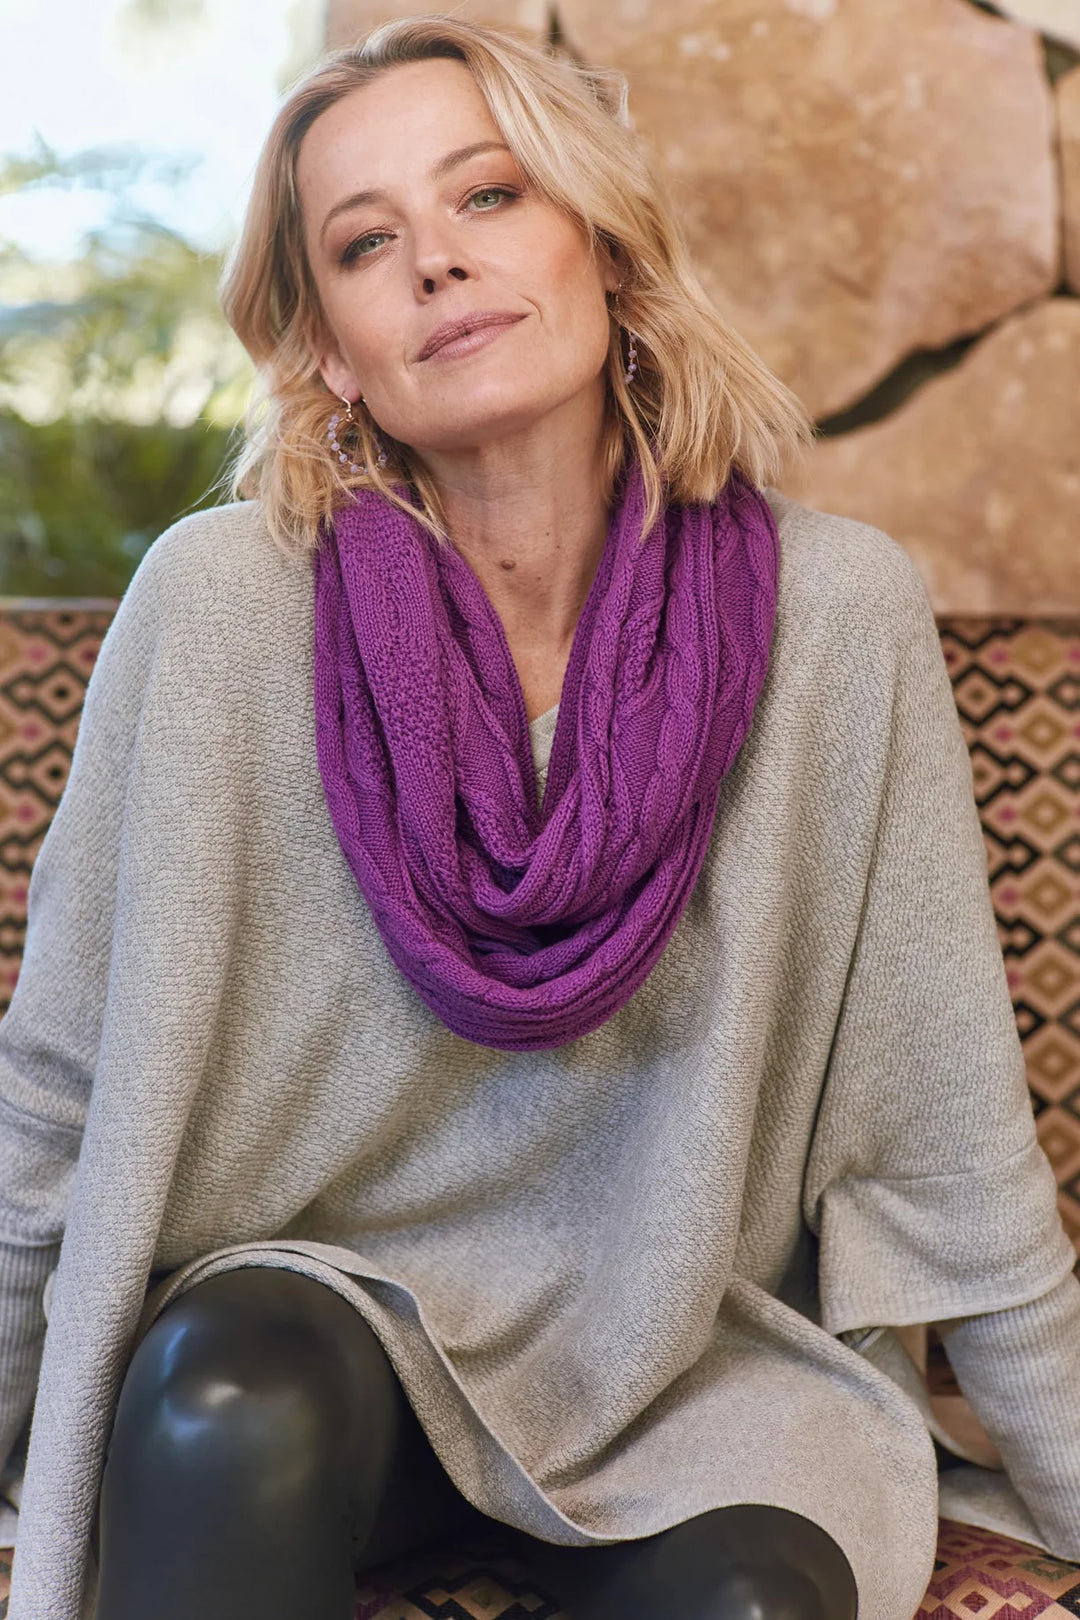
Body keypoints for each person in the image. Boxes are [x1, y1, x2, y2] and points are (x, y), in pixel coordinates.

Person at [2, 14, 1079, 1620]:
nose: (437, 259)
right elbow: (58, 1092)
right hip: (314, 1335)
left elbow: (948, 1143)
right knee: (229, 1402)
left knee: (757, 1602)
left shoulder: (840, 616)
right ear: (331, 350)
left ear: (606, 247)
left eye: (488, 194)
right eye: (366, 242)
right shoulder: (222, 605)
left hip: (685, 1378)